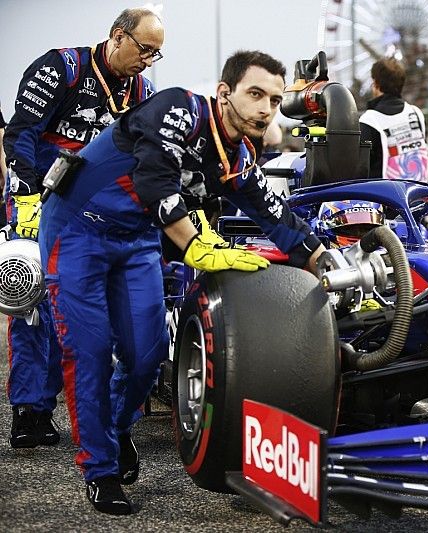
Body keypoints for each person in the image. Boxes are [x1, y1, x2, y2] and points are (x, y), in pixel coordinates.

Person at [38, 50, 325, 515]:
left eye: (274, 100)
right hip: (75, 232)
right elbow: (155, 180)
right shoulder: (178, 109)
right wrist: (195, 245)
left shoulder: (241, 153)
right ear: (224, 93)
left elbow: (275, 216)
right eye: (255, 94)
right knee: (88, 354)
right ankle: (101, 470)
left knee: (148, 356)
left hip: (135, 241)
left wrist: (324, 260)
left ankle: (113, 427)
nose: (265, 108)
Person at [3, 7, 162, 450]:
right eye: (144, 49)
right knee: (34, 305)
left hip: (99, 217)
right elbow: (21, 134)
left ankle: (72, 409)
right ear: (117, 36)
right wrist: (31, 195)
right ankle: (29, 411)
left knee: (79, 313)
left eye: (157, 54)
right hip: (44, 202)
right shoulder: (62, 68)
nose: (149, 60)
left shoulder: (144, 90)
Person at [359, 57, 428, 181]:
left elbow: (361, 169)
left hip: (387, 197)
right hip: (419, 192)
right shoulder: (416, 113)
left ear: (376, 84)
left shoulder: (369, 120)